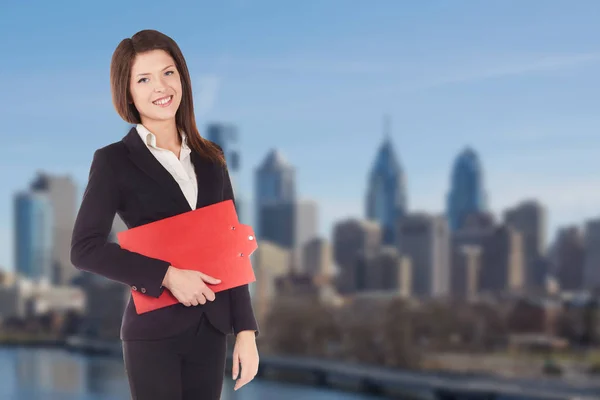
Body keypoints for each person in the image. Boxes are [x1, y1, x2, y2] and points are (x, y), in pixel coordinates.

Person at [70, 29, 259, 400]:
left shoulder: (211, 158)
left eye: (168, 73)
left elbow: (230, 247)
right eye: (144, 79)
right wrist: (168, 276)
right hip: (153, 332)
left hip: (212, 328)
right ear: (127, 92)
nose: (161, 87)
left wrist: (247, 333)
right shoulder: (113, 161)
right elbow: (84, 248)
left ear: (183, 78)